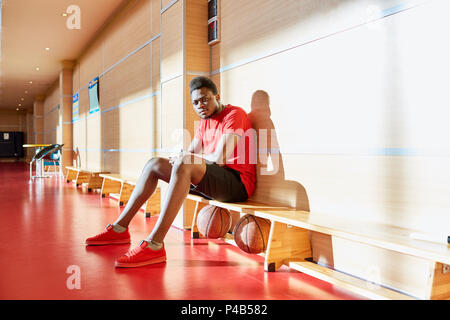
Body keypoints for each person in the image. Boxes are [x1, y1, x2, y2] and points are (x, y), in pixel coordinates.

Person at [86, 76, 256, 268]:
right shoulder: (204, 122)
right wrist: (180, 158)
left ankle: (155, 244)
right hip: (213, 179)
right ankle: (119, 229)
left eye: (205, 99)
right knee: (154, 164)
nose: (201, 105)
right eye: (196, 102)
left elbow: (219, 158)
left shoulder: (234, 114)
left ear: (217, 96)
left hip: (236, 184)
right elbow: (190, 153)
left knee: (184, 163)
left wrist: (185, 159)